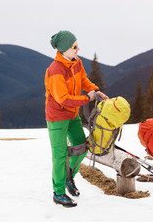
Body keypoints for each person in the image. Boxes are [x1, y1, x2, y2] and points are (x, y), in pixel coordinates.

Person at [45, 30, 108, 207]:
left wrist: (95, 90)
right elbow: (63, 99)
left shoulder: (76, 62)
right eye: (74, 47)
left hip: (72, 115)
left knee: (82, 147)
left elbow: (83, 81)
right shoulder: (55, 71)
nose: (78, 49)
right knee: (60, 155)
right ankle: (58, 193)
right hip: (57, 118)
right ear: (64, 49)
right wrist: (87, 98)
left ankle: (68, 177)